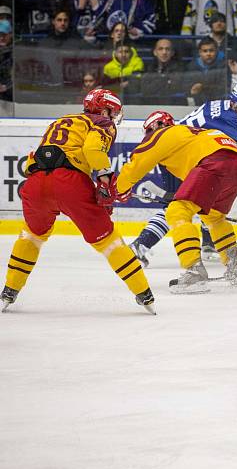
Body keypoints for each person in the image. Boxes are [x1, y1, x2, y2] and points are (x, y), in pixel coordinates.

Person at [1, 89, 154, 314]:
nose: (114, 118)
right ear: (104, 109)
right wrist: (105, 179)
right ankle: (144, 293)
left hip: (36, 183)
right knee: (107, 240)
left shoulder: (61, 120)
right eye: (113, 113)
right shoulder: (102, 122)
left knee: (31, 236)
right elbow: (92, 149)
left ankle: (9, 290)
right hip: (70, 183)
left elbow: (31, 162)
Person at [130, 80, 237, 269]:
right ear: (235, 103)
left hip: (195, 159)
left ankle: (207, 245)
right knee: (177, 208)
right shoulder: (226, 115)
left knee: (206, 202)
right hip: (183, 160)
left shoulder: (220, 108)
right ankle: (141, 245)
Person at [115, 113, 237, 294]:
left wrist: (116, 191)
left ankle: (194, 271)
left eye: (148, 132)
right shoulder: (188, 134)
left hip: (213, 163)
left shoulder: (162, 134)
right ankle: (234, 267)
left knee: (176, 212)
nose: (147, 137)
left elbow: (135, 165)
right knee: (214, 217)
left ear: (156, 126)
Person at [141, 38, 185, 103]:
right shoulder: (148, 68)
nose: (164, 52)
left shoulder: (180, 68)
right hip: (151, 105)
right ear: (155, 52)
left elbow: (176, 88)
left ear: (172, 53)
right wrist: (165, 81)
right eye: (160, 49)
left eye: (167, 49)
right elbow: (145, 91)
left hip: (174, 104)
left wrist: (157, 82)